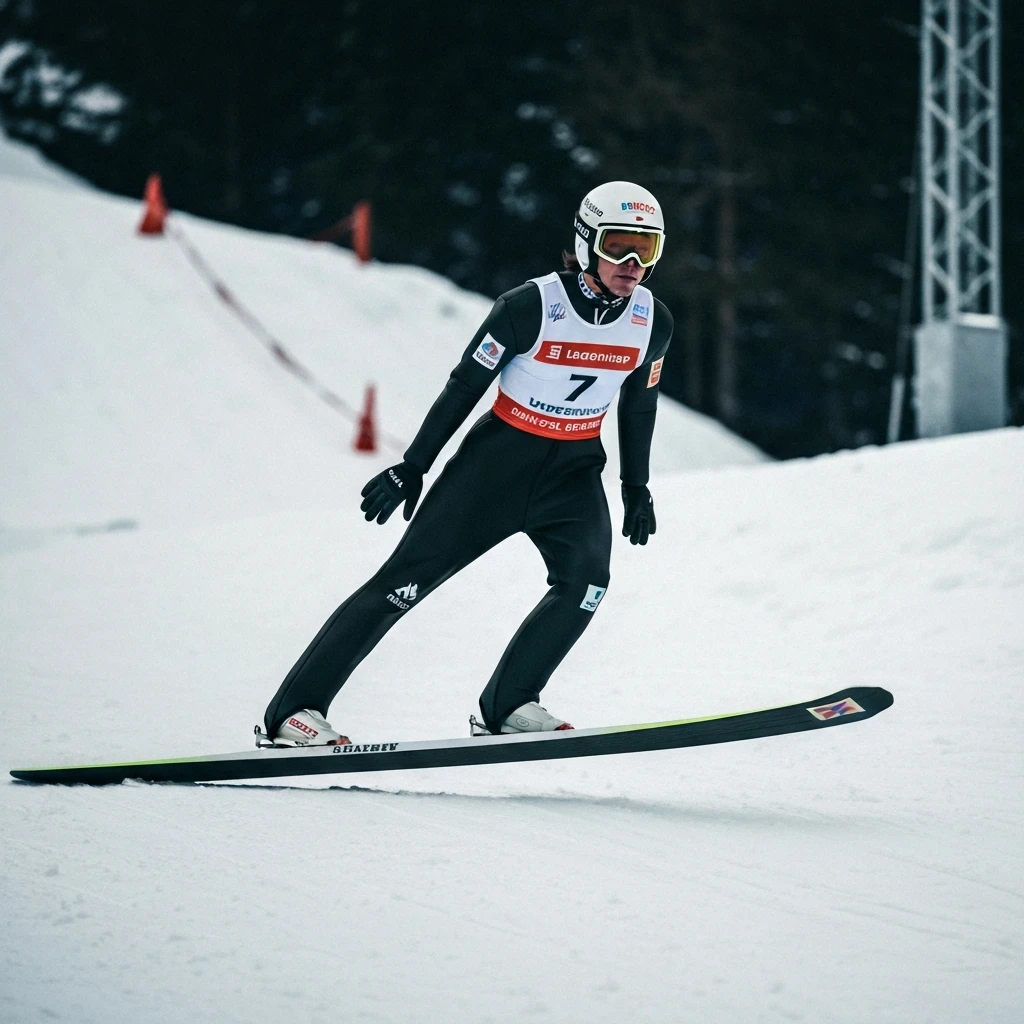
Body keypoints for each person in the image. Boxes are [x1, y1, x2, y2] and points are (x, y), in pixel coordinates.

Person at [260, 180, 674, 746]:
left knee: (586, 584)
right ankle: (294, 711)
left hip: (573, 471)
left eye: (646, 249)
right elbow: (463, 387)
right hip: (494, 468)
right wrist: (413, 465)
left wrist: (636, 486)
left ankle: (509, 704)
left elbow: (640, 402)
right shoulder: (529, 307)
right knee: (401, 585)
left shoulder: (653, 321)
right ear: (585, 243)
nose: (632, 263)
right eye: (617, 245)